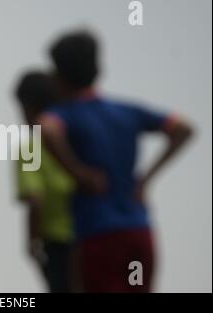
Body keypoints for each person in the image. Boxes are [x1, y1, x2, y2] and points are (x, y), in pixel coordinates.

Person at [39, 30, 194, 292]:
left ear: (57, 77)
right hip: (139, 232)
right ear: (98, 68)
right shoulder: (126, 111)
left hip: (97, 235)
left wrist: (77, 172)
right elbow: (182, 129)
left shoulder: (65, 114)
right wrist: (147, 177)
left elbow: (46, 129)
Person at [15, 72, 76, 292]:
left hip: (59, 243)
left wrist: (32, 242)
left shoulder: (31, 149)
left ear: (27, 108)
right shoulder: (80, 138)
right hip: (97, 235)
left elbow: (35, 199)